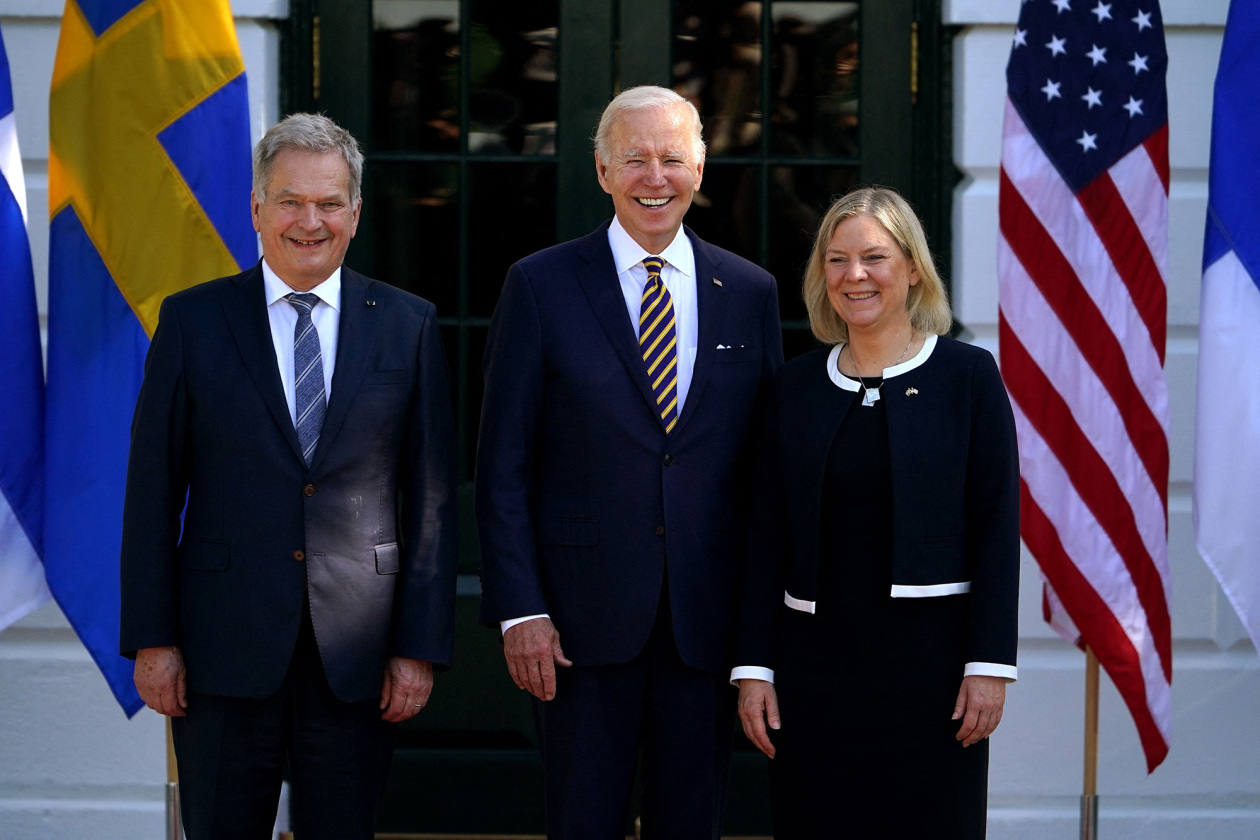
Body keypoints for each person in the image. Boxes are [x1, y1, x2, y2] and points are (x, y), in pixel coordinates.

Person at [119, 113, 459, 840]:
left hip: (358, 655)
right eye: (290, 202)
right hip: (220, 650)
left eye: (330, 203)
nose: (310, 222)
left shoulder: (408, 326)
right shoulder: (193, 322)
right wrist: (153, 639)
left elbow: (431, 501)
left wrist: (418, 646)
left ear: (356, 214)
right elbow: (151, 491)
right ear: (257, 209)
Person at [475, 85, 783, 839]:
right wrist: (521, 610)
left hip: (704, 627)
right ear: (602, 170)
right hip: (575, 628)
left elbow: (766, 480)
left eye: (672, 159)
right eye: (634, 158)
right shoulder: (539, 285)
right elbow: (503, 463)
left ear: (700, 169)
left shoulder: (750, 292)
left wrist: (757, 643)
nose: (655, 177)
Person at [734, 187, 1019, 838]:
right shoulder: (793, 388)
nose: (853, 275)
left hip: (933, 679)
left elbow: (997, 529)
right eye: (836, 260)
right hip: (812, 679)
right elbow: (764, 535)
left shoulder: (969, 378)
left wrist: (989, 666)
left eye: (874, 257)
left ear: (913, 268)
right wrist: (753, 669)